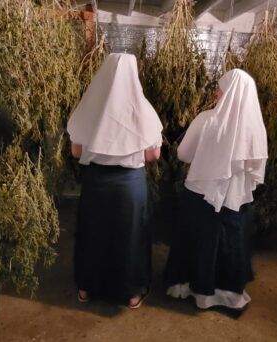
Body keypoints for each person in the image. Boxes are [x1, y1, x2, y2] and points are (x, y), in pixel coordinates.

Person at [164, 69, 268, 312]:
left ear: (229, 91)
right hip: (235, 200)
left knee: (197, 240)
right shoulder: (256, 129)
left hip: (200, 193)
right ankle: (228, 295)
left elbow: (183, 154)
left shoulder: (206, 119)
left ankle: (192, 288)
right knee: (229, 244)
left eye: (220, 88)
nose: (216, 92)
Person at [67, 53, 163, 309]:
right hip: (130, 185)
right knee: (130, 235)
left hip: (96, 183)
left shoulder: (89, 106)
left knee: (93, 234)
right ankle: (130, 293)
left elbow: (76, 152)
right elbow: (153, 154)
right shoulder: (144, 109)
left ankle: (87, 289)